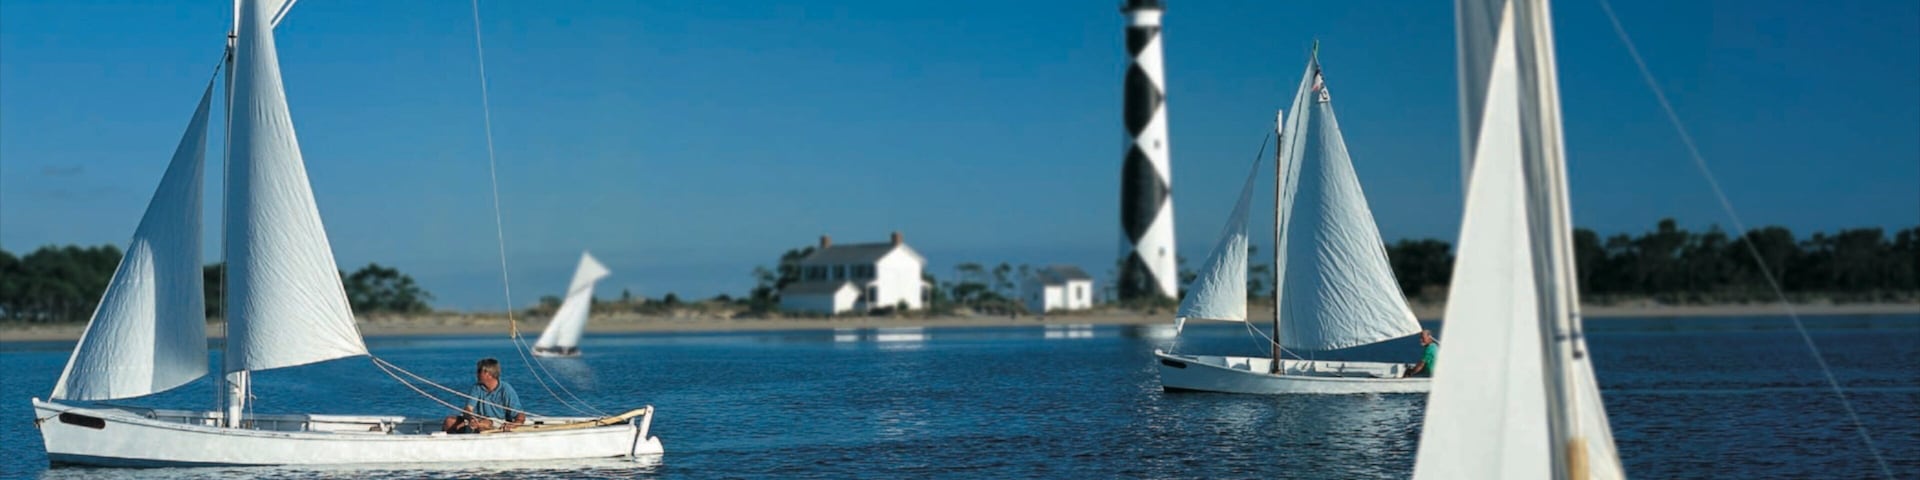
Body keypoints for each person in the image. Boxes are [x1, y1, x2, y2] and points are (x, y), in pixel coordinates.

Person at [442, 358, 525, 433]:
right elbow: (468, 408)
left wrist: (514, 425)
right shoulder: (476, 388)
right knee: (449, 421)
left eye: (479, 371)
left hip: (497, 421)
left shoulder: (506, 389)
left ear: (488, 374)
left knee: (483, 424)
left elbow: (520, 415)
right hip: (477, 420)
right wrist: (471, 418)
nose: (476, 374)